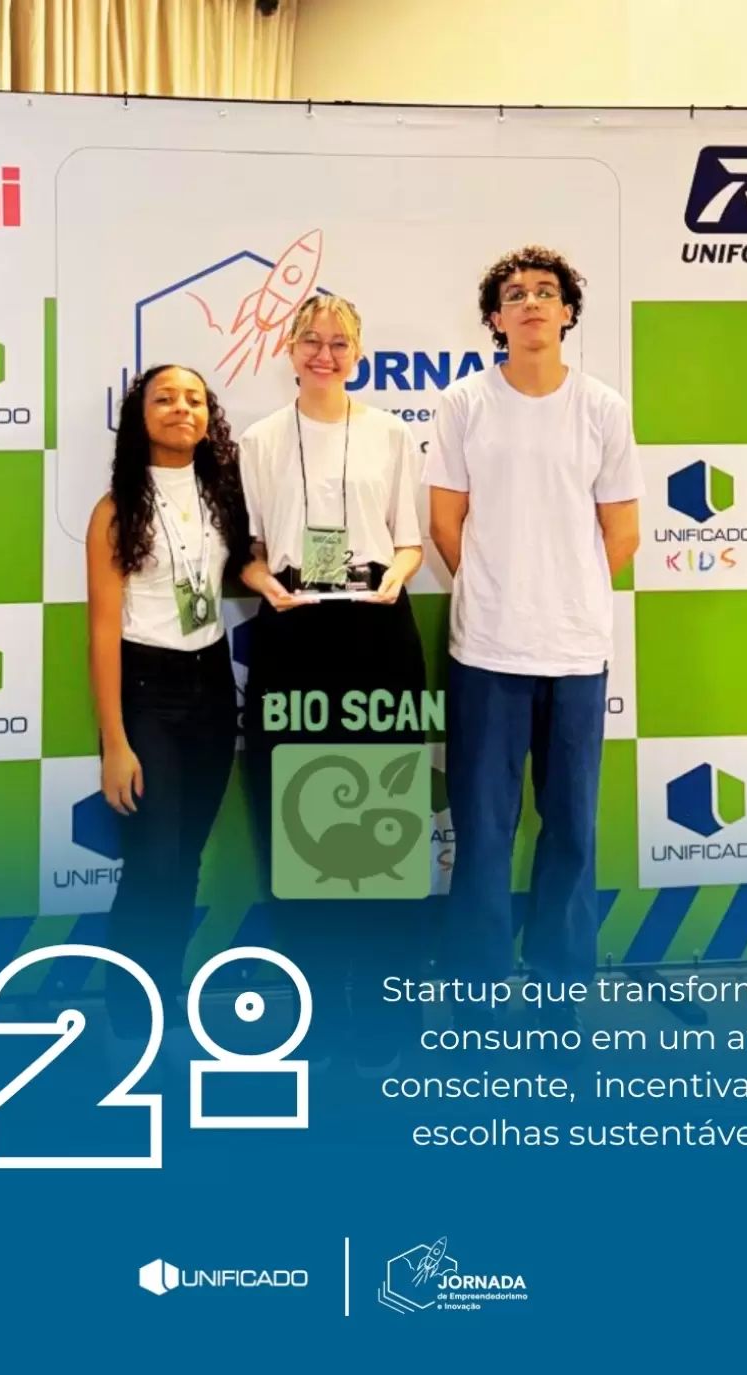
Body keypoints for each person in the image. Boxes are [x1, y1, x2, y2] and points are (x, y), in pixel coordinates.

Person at [426, 246, 643, 1026]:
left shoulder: (603, 407)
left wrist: (563, 590)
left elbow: (623, 531)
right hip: (486, 650)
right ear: (495, 317)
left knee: (572, 829)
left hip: (576, 654)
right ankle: (476, 988)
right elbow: (445, 522)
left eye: (546, 293)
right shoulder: (464, 403)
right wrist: (501, 590)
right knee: (483, 832)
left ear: (568, 312)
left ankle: (560, 984)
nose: (531, 304)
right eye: (514, 294)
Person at [238, 294, 426, 1071]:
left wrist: (396, 577)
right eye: (312, 339)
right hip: (294, 631)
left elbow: (409, 540)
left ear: (359, 352)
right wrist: (265, 584)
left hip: (377, 631)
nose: (325, 352)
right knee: (299, 819)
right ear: (288, 348)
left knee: (383, 817)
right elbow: (250, 549)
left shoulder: (392, 432)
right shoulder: (259, 439)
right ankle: (313, 998)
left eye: (340, 341)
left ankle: (381, 1001)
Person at [86, 364, 249, 1041]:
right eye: (164, 399)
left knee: (185, 861)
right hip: (146, 692)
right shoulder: (116, 509)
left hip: (212, 686)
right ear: (140, 416)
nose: (182, 408)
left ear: (209, 417)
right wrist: (115, 742)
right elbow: (102, 629)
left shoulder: (224, 495)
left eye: (194, 399)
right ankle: (130, 1012)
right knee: (151, 861)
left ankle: (164, 992)